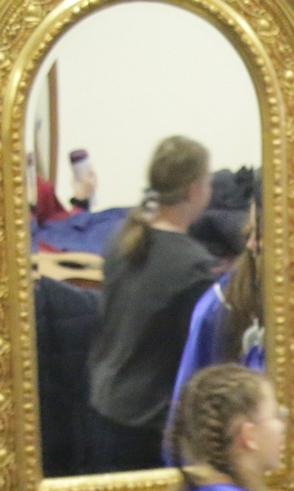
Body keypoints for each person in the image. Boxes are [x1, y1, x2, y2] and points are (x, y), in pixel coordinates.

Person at [87, 136, 219, 471]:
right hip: (145, 425)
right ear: (194, 191)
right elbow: (195, 360)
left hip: (101, 404)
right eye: (208, 181)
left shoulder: (122, 240)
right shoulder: (193, 267)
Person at [173, 206, 266, 401]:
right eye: (250, 233)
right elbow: (192, 402)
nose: (251, 244)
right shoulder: (219, 306)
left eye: (261, 234)